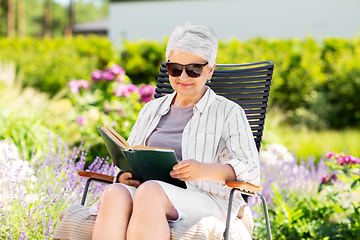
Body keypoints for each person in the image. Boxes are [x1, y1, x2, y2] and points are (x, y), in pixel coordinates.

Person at [91, 24, 260, 240]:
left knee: (151, 191)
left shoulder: (229, 112)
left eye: (194, 69)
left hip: (207, 196)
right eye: (175, 68)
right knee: (115, 193)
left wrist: (204, 170)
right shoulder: (151, 110)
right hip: (150, 190)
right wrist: (125, 176)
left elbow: (252, 169)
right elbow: (130, 154)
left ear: (210, 71)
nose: (183, 77)